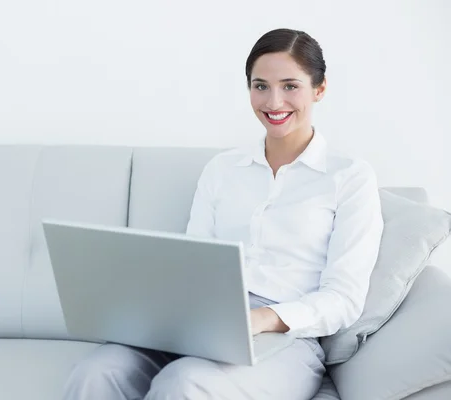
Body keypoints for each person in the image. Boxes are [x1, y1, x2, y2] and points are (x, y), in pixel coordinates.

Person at [61, 28, 384, 400]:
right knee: (96, 372)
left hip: (287, 340)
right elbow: (194, 260)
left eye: (290, 86)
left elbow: (343, 298)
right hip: (200, 323)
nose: (274, 101)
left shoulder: (349, 177)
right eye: (260, 86)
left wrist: (261, 319)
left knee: (184, 382)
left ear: (320, 89)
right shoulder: (223, 169)